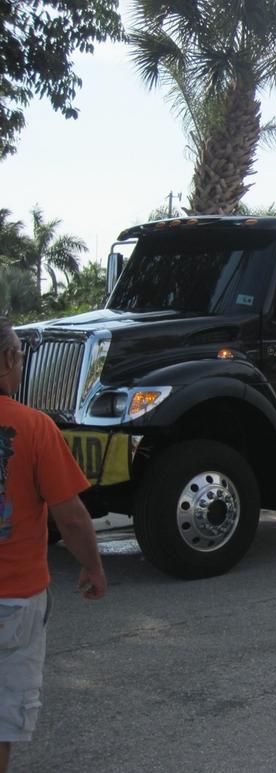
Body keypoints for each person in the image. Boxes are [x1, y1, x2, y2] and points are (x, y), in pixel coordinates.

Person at [0, 317, 107, 773]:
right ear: (7, 359)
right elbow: (72, 517)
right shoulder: (36, 427)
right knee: (2, 717)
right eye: (21, 357)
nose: (21, 365)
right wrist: (93, 568)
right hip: (15, 603)